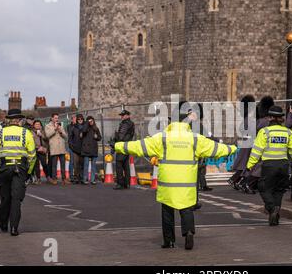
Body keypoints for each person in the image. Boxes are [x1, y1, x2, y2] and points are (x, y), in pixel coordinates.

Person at [114, 102, 237, 250]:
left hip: (168, 185)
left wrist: (118, 146)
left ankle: (169, 240)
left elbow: (139, 146)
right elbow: (217, 149)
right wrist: (233, 148)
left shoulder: (163, 138)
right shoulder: (195, 139)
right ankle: (189, 232)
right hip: (187, 185)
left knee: (167, 211)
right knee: (186, 209)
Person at [247, 106, 292, 226]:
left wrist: (250, 165)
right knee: (279, 191)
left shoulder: (265, 132)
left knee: (264, 188)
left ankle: (272, 209)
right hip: (283, 165)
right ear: (281, 118)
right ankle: (275, 217)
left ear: (270, 118)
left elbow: (257, 150)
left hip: (269, 165)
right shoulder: (288, 132)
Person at [0, 109, 36, 236]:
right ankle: (14, 228)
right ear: (19, 120)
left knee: (5, 198)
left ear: (8, 120)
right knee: (16, 199)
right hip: (20, 168)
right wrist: (29, 172)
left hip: (4, 168)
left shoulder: (0, 133)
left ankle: (3, 223)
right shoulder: (26, 133)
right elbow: (32, 155)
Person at [45, 113, 70, 185]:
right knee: (54, 165)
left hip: (61, 147)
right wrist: (54, 129)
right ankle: (54, 179)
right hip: (54, 148)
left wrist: (60, 131)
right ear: (52, 118)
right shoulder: (48, 126)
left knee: (63, 165)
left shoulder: (60, 126)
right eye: (55, 118)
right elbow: (47, 135)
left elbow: (65, 136)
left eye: (57, 118)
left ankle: (64, 179)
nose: (57, 119)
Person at [113, 110, 135, 190]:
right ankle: (127, 183)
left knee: (119, 164)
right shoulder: (131, 123)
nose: (121, 117)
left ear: (127, 115)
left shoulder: (125, 124)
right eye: (121, 115)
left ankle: (120, 184)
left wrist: (116, 137)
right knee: (126, 165)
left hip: (122, 146)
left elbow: (121, 136)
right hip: (127, 146)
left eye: (123, 115)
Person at [81, 116, 102, 185]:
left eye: (92, 121)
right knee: (86, 165)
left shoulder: (95, 128)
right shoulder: (85, 128)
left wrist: (97, 137)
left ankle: (92, 180)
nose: (91, 122)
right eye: (89, 121)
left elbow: (100, 137)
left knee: (93, 166)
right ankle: (85, 179)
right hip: (86, 149)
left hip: (93, 149)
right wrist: (87, 123)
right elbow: (83, 131)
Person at [68, 114, 84, 184]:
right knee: (75, 164)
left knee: (82, 164)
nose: (80, 120)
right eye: (78, 119)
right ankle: (75, 177)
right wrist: (72, 146)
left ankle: (81, 178)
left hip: (83, 149)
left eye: (81, 119)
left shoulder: (85, 127)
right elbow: (70, 138)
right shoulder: (73, 127)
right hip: (75, 149)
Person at [32, 120, 49, 184]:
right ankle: (38, 178)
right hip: (35, 150)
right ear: (34, 125)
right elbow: (31, 141)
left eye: (39, 124)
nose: (38, 125)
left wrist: (41, 135)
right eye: (36, 124)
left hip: (43, 150)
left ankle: (48, 177)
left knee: (44, 164)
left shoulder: (43, 131)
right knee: (36, 165)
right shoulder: (31, 132)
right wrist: (37, 147)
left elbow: (47, 139)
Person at [67, 115, 77, 182]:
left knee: (77, 162)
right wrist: (75, 125)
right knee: (72, 162)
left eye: (76, 119)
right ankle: (71, 176)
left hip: (78, 146)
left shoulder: (78, 126)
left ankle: (76, 175)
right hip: (71, 146)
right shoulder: (69, 126)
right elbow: (70, 134)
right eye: (74, 119)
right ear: (71, 120)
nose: (75, 120)